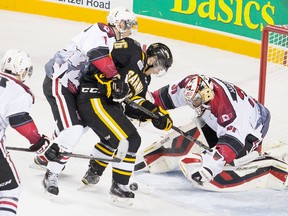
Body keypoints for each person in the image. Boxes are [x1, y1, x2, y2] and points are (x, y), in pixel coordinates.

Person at [37, 7, 138, 196]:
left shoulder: (110, 40)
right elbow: (97, 56)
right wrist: (116, 79)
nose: (130, 31)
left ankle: (46, 154)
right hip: (60, 82)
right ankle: (52, 172)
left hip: (72, 87)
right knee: (73, 129)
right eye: (129, 26)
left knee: (79, 127)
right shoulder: (102, 30)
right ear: (120, 23)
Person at [77, 40, 173, 205]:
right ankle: (119, 185)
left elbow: (133, 104)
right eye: (160, 66)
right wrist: (106, 81)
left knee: (114, 139)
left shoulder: (144, 81)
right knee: (130, 140)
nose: (158, 71)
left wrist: (155, 114)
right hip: (93, 96)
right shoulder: (132, 49)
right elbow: (102, 59)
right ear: (153, 59)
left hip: (107, 103)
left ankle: (94, 170)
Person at [150, 74, 271, 185]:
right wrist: (147, 105)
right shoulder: (192, 86)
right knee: (203, 118)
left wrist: (209, 168)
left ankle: (252, 159)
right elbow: (166, 96)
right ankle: (210, 142)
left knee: (233, 157)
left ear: (206, 93)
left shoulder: (229, 111)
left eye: (195, 100)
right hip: (228, 116)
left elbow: (233, 141)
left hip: (255, 125)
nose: (193, 104)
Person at [0, 49, 50, 216]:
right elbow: (20, 121)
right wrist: (40, 144)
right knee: (10, 190)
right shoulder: (18, 91)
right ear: (22, 71)